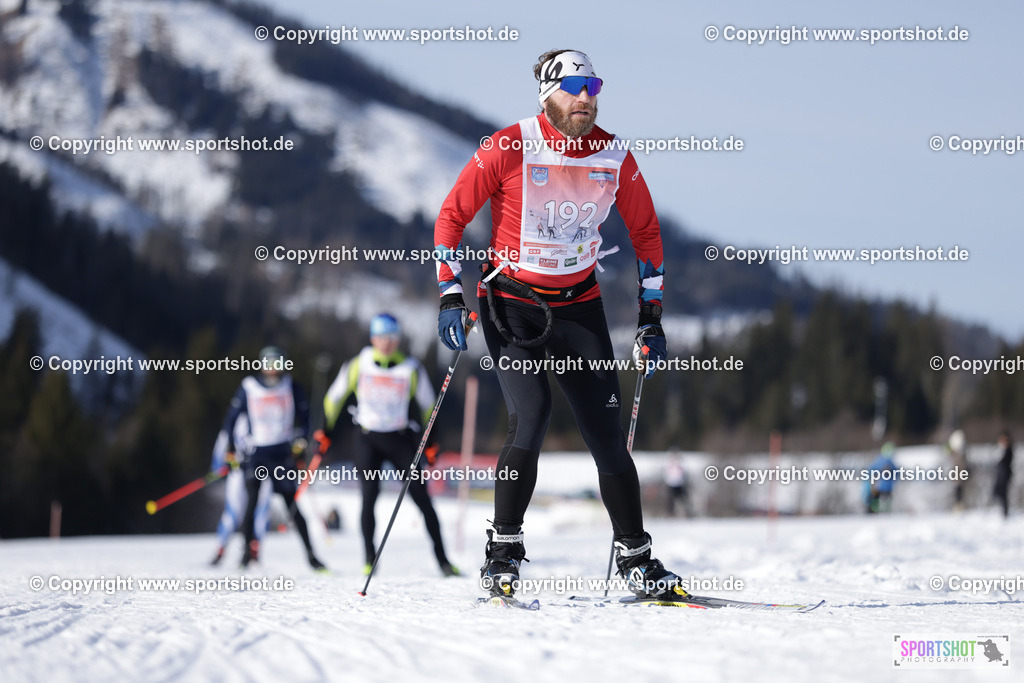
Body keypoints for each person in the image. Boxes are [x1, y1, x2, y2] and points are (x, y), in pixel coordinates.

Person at [433, 49, 681, 600]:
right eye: (573, 86)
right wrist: (450, 295)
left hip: (579, 303)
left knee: (606, 434)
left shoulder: (615, 154)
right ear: (547, 93)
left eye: (593, 85)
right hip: (510, 303)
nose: (586, 97)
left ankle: (635, 555)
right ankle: (503, 552)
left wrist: (651, 316)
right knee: (534, 415)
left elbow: (647, 235)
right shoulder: (508, 145)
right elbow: (451, 217)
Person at [321, 314, 458, 577]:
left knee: (423, 500)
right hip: (367, 439)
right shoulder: (358, 364)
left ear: (398, 339)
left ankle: (443, 561)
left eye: (392, 338)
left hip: (400, 439)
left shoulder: (410, 368)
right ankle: (369, 560)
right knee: (368, 498)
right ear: (373, 338)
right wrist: (324, 431)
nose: (387, 343)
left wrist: (431, 442)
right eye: (382, 337)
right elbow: (333, 399)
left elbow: (431, 407)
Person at [222, 346, 326, 570]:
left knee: (292, 505)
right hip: (256, 453)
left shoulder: (291, 386)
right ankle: (245, 556)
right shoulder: (249, 386)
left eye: (278, 363)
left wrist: (302, 441)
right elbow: (231, 420)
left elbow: (306, 418)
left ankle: (311, 556)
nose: (273, 368)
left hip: (282, 454)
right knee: (251, 504)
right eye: (268, 363)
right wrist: (230, 449)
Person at [208, 414, 273, 565]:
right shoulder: (236, 417)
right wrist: (218, 466)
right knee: (233, 512)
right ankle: (220, 548)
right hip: (237, 473)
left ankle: (254, 550)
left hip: (262, 471)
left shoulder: (266, 412)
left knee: (262, 511)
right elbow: (223, 441)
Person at [864, 442, 898, 514]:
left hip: (879, 487)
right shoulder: (890, 462)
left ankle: (877, 512)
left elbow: (870, 471)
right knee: (885, 501)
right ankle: (884, 512)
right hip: (884, 487)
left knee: (878, 500)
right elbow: (897, 473)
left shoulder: (879, 461)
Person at [946, 429, 968, 511]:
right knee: (957, 492)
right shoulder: (958, 454)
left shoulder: (961, 455)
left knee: (959, 492)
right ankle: (958, 506)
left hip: (959, 477)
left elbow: (961, 466)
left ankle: (959, 506)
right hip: (957, 477)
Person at [993, 430, 1014, 518]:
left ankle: (1005, 512)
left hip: (1005, 475)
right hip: (999, 474)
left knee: (1004, 494)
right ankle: (1002, 510)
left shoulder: (1008, 450)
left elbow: (1005, 462)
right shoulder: (999, 449)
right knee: (997, 492)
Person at [664, 450, 689, 517]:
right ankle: (670, 513)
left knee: (681, 499)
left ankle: (682, 512)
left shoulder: (680, 463)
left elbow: (683, 473)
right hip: (671, 483)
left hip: (679, 483)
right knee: (671, 501)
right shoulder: (669, 464)